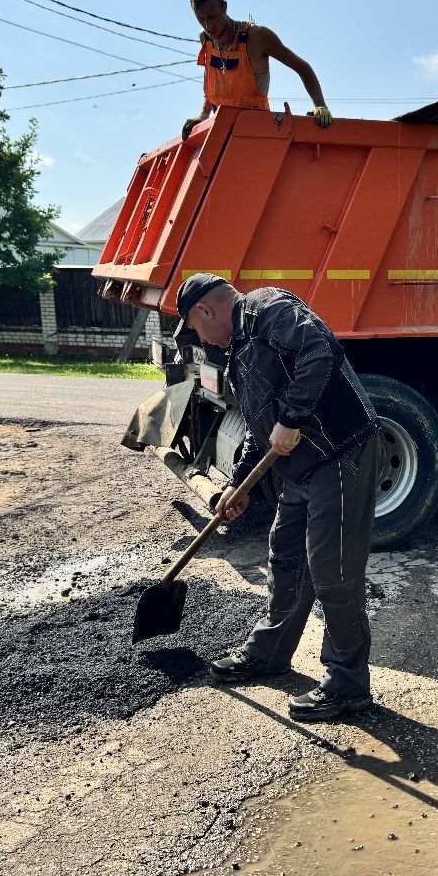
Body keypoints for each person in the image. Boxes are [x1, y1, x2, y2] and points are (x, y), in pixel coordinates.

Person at [174, 272, 380, 722]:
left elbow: (320, 350)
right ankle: (269, 653)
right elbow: (259, 426)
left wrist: (292, 418)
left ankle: (348, 686)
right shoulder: (238, 351)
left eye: (194, 326)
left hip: (339, 454)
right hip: (300, 467)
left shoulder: (268, 308)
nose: (199, 337)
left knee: (332, 572)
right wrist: (239, 483)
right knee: (285, 556)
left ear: (205, 309)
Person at [181, 0, 332, 141]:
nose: (208, 26)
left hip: (257, 133)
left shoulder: (257, 37)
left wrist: (320, 106)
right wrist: (203, 115)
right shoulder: (205, 38)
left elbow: (303, 68)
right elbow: (214, 83)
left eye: (213, 17)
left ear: (224, 7)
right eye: (201, 19)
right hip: (224, 132)